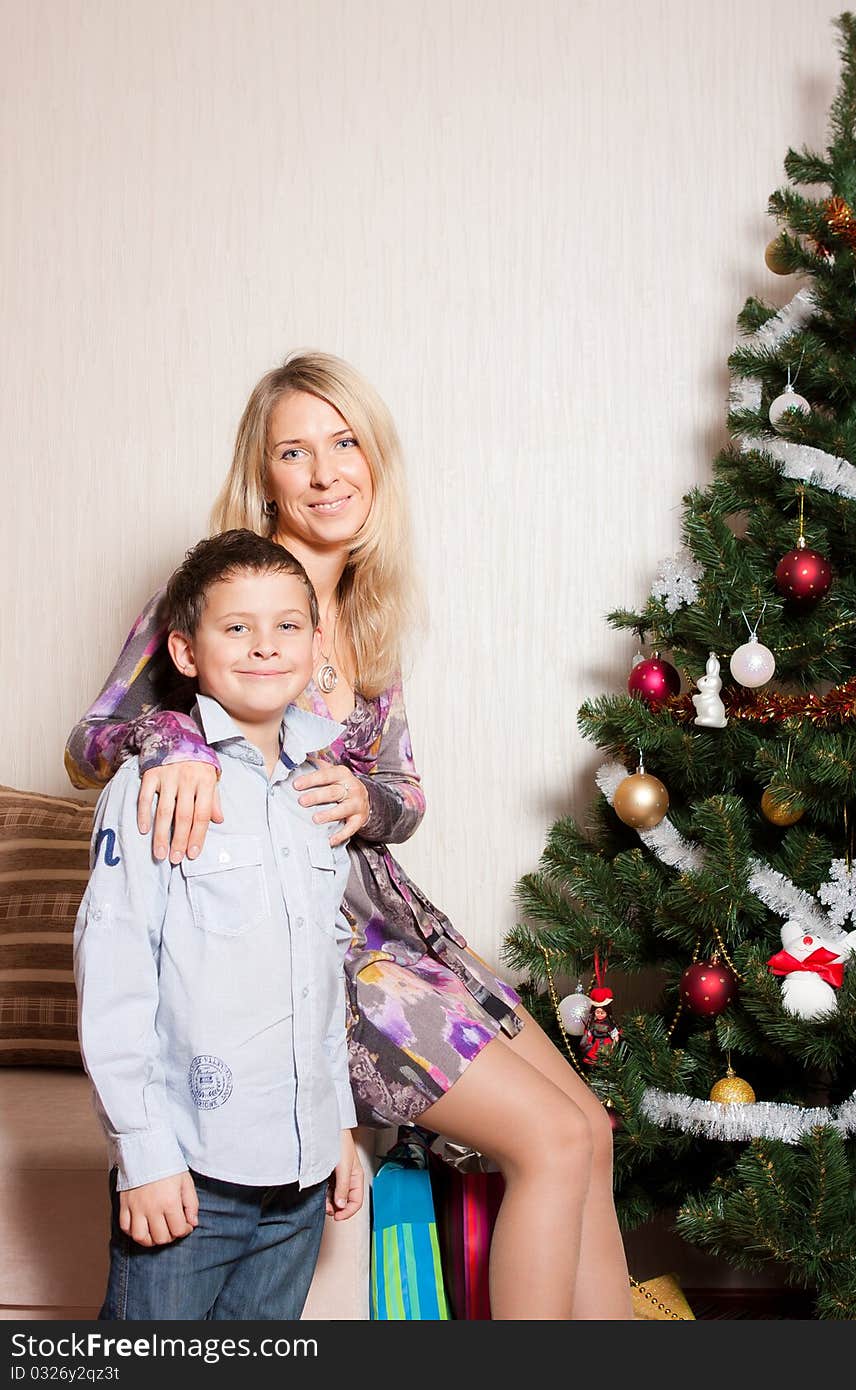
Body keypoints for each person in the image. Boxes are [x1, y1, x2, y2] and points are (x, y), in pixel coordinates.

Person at [67, 352, 632, 1320]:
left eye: (346, 443)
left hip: (400, 928)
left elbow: (404, 794)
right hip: (327, 957)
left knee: (590, 1124)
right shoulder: (228, 593)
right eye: (296, 450)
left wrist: (366, 803)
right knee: (548, 1140)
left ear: (376, 460)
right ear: (264, 471)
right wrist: (172, 743)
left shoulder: (362, 617)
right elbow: (89, 742)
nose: (328, 472)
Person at [73, 530, 363, 1321]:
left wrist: (336, 1123)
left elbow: (322, 973)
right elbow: (116, 974)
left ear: (315, 642)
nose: (265, 647)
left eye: (287, 626)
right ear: (186, 651)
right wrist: (142, 1156)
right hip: (193, 1176)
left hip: (299, 1179)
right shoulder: (158, 785)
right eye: (237, 627)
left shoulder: (322, 789)